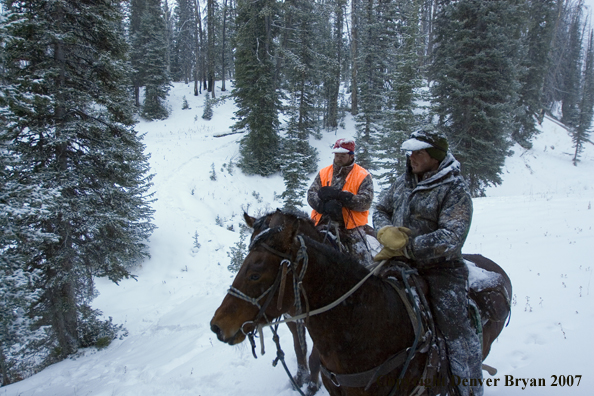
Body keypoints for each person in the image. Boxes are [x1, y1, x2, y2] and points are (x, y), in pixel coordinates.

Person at [372, 127, 482, 396]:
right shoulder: (403, 181)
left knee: (454, 328)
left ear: (435, 156)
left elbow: (452, 236)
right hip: (396, 261)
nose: (412, 157)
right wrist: (385, 231)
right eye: (411, 151)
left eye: (419, 152)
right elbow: (379, 208)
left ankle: (468, 385)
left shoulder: (454, 190)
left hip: (440, 268)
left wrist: (408, 246)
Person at [307, 138, 375, 265]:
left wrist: (344, 197)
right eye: (336, 155)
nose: (338, 158)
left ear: (351, 156)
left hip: (351, 227)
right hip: (323, 221)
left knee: (363, 262)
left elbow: (366, 202)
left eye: (342, 155)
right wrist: (322, 206)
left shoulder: (363, 175)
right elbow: (311, 194)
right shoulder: (324, 172)